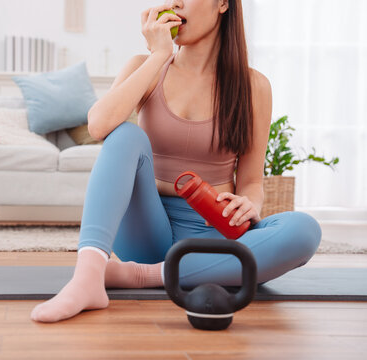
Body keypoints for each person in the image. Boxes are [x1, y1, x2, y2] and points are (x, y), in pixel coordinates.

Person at [30, 0, 321, 323]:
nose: (175, 3)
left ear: (223, 4)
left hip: (215, 238)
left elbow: (252, 180)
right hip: (146, 231)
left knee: (304, 230)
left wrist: (249, 203)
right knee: (126, 135)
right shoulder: (146, 66)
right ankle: (86, 281)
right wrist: (158, 56)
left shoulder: (254, 86)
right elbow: (99, 126)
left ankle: (140, 275)